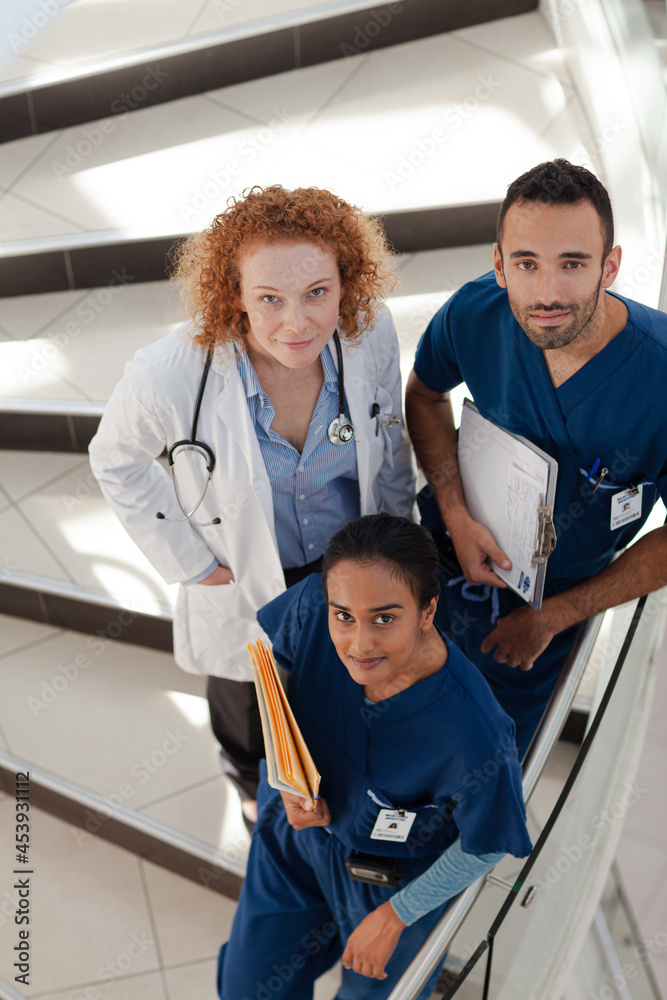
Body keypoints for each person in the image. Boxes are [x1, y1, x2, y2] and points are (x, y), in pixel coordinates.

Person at [88, 186, 414, 827]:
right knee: (244, 693)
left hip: (342, 562)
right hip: (238, 576)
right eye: (270, 298)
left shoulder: (369, 333)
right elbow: (114, 459)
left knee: (338, 679)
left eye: (317, 292)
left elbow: (390, 435)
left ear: (345, 284)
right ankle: (244, 780)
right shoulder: (170, 373)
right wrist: (190, 561)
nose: (297, 322)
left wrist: (402, 545)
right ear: (234, 294)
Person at [406, 158, 667, 758]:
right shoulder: (474, 314)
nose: (547, 293)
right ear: (499, 265)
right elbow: (424, 395)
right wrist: (454, 511)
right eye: (526, 263)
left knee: (491, 758)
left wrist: (552, 616)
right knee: (399, 727)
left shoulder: (658, 376)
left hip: (550, 606)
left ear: (612, 266)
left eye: (573, 264)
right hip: (443, 561)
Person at [217, 514, 532, 999]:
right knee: (249, 987)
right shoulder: (314, 605)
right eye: (344, 616)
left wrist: (394, 917)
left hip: (391, 879)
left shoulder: (474, 734)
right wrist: (284, 778)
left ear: (427, 611)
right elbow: (275, 669)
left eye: (384, 618)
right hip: (297, 832)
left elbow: (486, 843)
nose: (358, 644)